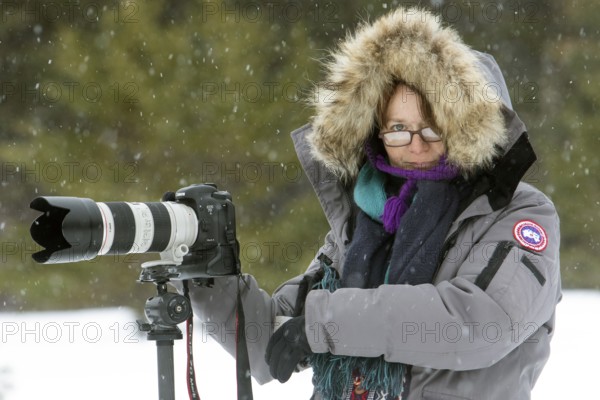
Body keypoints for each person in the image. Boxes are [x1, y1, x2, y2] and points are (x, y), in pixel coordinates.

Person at [186, 6, 561, 400]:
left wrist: (325, 325)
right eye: (398, 128)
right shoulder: (368, 217)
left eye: (432, 126)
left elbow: (477, 323)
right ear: (374, 133)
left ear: (464, 127)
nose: (415, 144)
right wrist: (208, 276)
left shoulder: (517, 213)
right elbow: (272, 339)